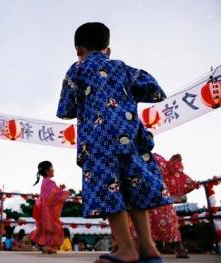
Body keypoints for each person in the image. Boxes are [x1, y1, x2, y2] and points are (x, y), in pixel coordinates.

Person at [56, 22, 173, 263]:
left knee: (110, 190)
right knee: (135, 188)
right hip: (130, 138)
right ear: (108, 50)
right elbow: (156, 91)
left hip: (98, 142)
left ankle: (126, 249)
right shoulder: (123, 68)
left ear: (78, 50)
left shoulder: (76, 70)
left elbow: (66, 110)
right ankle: (148, 247)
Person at [148, 153, 197, 258]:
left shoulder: (155, 156)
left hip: (161, 194)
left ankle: (177, 246)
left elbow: (167, 171)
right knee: (147, 222)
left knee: (169, 220)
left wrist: (172, 164)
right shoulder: (132, 155)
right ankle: (155, 247)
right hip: (145, 194)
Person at [29, 161, 70, 254]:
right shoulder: (50, 182)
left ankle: (48, 246)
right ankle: (49, 246)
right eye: (52, 167)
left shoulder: (45, 181)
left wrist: (60, 189)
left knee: (47, 228)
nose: (53, 169)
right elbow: (52, 195)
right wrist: (64, 193)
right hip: (48, 210)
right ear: (47, 171)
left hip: (43, 208)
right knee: (53, 227)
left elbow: (51, 194)